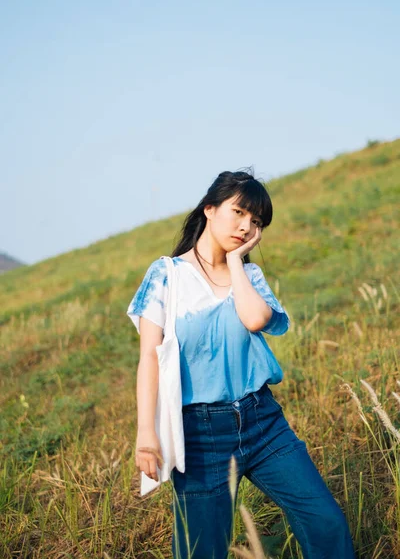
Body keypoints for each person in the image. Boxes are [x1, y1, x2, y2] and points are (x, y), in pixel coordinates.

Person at [127, 169, 356, 559]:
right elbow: (150, 355)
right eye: (239, 213)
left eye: (256, 222)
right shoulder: (166, 274)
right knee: (202, 550)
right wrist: (145, 433)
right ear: (210, 209)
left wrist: (235, 261)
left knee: (325, 521)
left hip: (263, 422)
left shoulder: (249, 275)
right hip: (201, 435)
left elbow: (254, 319)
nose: (246, 226)